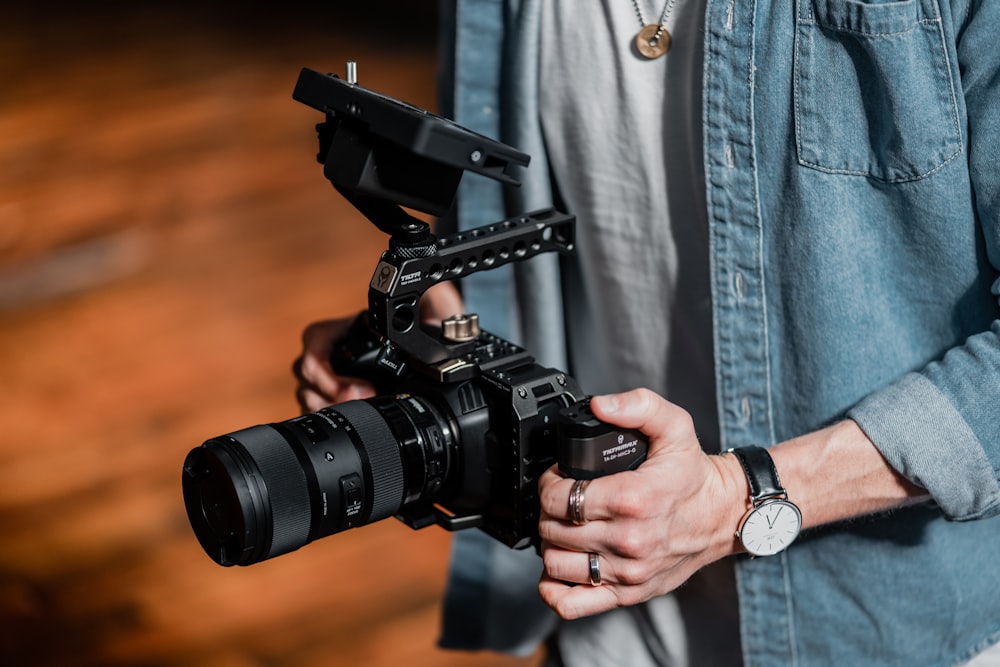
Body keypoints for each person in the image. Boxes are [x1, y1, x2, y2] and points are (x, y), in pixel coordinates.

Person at [296, 0, 1000, 664]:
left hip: (902, 635)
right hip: (604, 626)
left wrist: (736, 498)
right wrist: (417, 344)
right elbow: (523, 241)